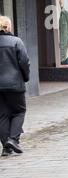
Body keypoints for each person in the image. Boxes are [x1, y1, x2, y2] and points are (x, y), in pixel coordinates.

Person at [0, 16, 30, 156]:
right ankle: (12, 140)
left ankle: (6, 147)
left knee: (2, 115)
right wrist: (25, 77)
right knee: (19, 111)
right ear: (9, 27)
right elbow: (24, 62)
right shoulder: (16, 41)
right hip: (15, 84)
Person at [59, 0, 68, 65]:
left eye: (61, 0)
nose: (60, 1)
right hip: (61, 55)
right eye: (59, 0)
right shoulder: (60, 15)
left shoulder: (66, 13)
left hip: (66, 56)